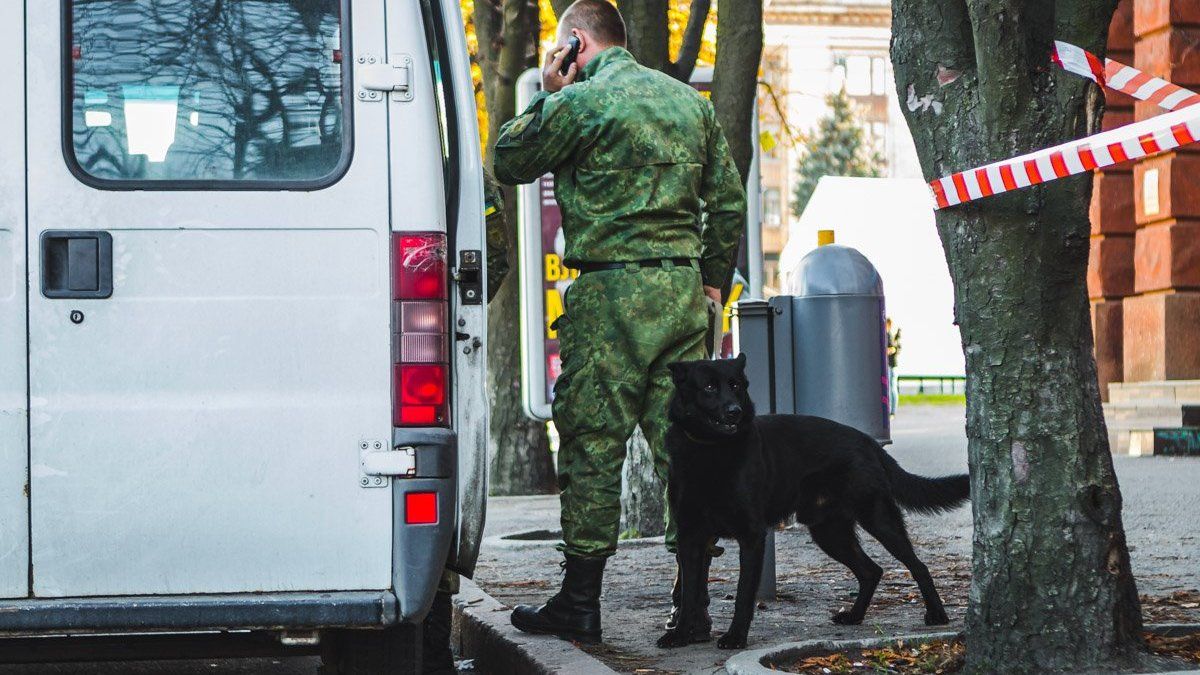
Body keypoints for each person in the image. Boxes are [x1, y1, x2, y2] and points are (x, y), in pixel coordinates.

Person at [492, 0, 746, 645]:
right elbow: (727, 200)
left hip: (610, 294)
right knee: (685, 451)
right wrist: (712, 278)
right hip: (685, 292)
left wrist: (549, 94)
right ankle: (692, 609)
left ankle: (580, 602)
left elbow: (510, 161)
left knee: (592, 444)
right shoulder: (689, 102)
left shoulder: (580, 102)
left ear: (575, 43)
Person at [420, 170, 509, 675]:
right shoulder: (455, 170)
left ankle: (430, 648)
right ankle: (430, 653)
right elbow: (489, 262)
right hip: (429, 336)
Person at [887, 318, 901, 418]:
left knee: (892, 388)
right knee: (891, 388)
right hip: (892, 365)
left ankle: (892, 411)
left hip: (891, 365)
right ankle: (892, 411)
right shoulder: (891, 336)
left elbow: (893, 349)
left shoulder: (889, 336)